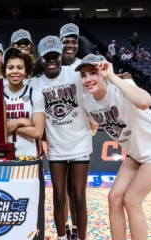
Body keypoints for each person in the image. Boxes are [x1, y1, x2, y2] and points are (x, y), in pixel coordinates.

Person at [76, 54, 151, 240]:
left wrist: (113, 77)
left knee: (132, 199)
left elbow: (145, 102)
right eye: (84, 75)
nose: (88, 79)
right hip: (137, 151)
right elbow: (93, 125)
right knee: (114, 198)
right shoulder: (88, 101)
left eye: (93, 73)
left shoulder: (121, 87)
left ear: (104, 72)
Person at [29, 36, 96, 240]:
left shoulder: (75, 74)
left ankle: (79, 236)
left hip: (80, 143)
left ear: (61, 56)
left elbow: (97, 77)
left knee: (78, 196)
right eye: (47, 57)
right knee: (58, 195)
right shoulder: (35, 83)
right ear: (41, 59)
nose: (51, 60)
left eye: (55, 56)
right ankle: (61, 236)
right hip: (56, 146)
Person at [59, 23, 96, 240]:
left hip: (79, 135)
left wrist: (93, 124)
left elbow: (92, 96)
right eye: (66, 41)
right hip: (58, 137)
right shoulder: (52, 66)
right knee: (62, 191)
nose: (70, 44)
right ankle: (64, 228)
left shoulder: (84, 66)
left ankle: (76, 229)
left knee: (77, 193)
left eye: (74, 41)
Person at [2, 48, 45, 157]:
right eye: (10, 67)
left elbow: (38, 133)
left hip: (30, 157)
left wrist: (8, 126)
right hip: (4, 157)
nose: (15, 71)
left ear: (26, 70)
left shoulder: (35, 94)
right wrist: (20, 121)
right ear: (4, 70)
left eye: (20, 67)